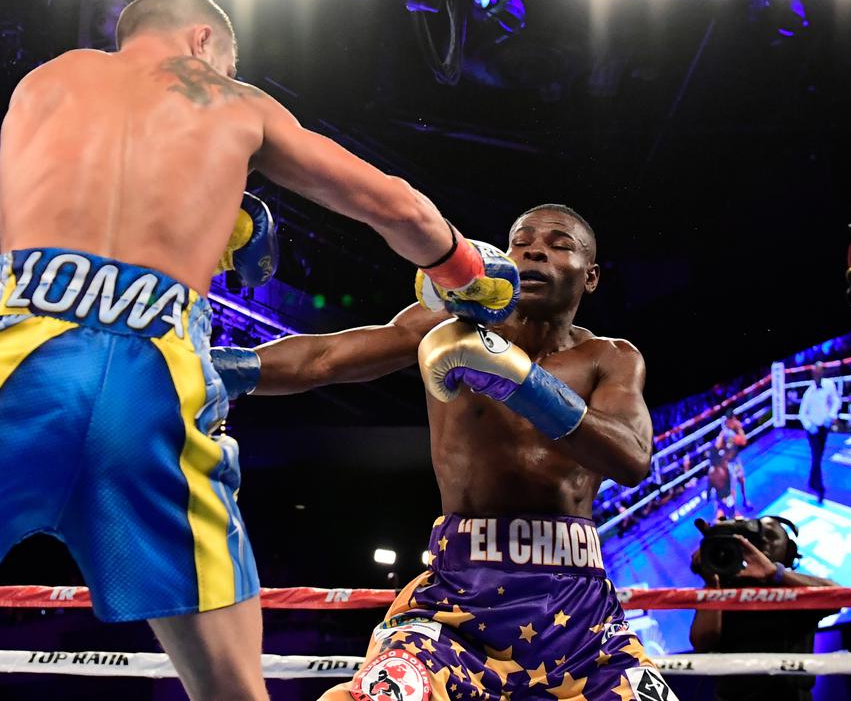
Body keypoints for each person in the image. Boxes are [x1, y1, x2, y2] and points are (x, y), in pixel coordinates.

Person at [0, 0, 510, 701]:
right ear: (203, 41)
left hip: (9, 357)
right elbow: (395, 204)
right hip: (155, 374)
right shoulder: (236, 103)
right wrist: (466, 271)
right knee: (231, 689)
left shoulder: (43, 83)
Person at [215, 205, 676, 699]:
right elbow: (324, 359)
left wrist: (518, 380)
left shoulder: (611, 357)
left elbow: (631, 457)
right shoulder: (452, 326)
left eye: (560, 244)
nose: (535, 250)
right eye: (521, 241)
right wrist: (223, 370)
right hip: (458, 599)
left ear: (591, 277)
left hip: (578, 613)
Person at [689, 517, 837, 701]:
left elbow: (838, 597)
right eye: (758, 537)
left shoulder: (798, 591)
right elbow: (703, 642)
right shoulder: (726, 590)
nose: (764, 541)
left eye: (772, 536)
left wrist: (776, 573)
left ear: (789, 550)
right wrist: (712, 585)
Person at [798, 362, 841, 504]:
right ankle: (820, 489)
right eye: (815, 372)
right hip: (813, 431)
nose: (817, 374)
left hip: (824, 428)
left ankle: (812, 482)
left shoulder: (829, 385)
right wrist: (809, 426)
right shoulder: (808, 393)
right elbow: (802, 414)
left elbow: (836, 401)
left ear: (822, 372)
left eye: (819, 371)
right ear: (813, 374)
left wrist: (831, 415)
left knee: (817, 457)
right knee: (816, 456)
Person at [714, 414, 750, 510]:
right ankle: (734, 510)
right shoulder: (728, 433)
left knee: (742, 480)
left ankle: (745, 501)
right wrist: (739, 429)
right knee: (732, 487)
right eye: (733, 420)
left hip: (735, 461)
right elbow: (743, 441)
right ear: (729, 422)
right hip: (730, 464)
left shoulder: (730, 431)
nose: (735, 421)